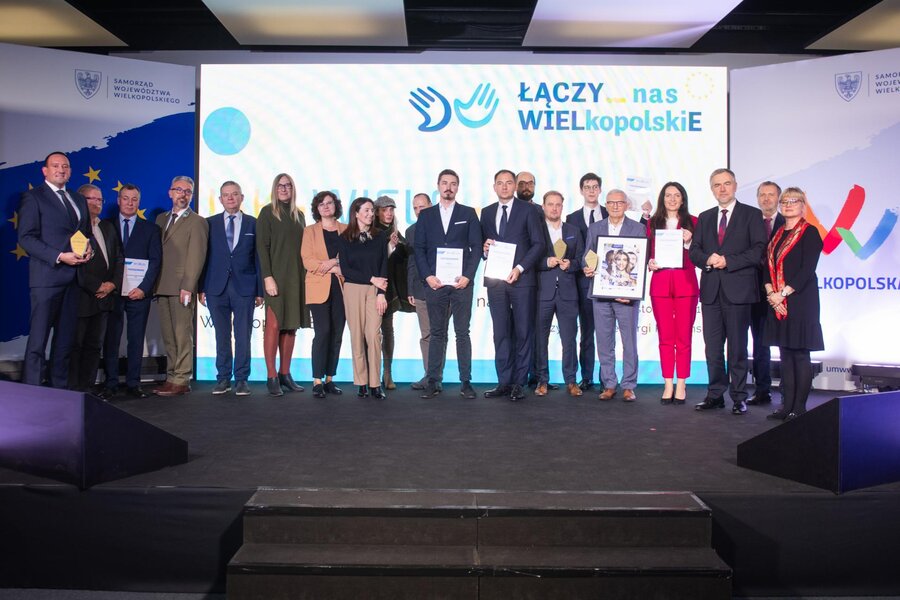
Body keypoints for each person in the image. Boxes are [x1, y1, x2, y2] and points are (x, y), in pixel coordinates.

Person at [690, 168, 767, 415]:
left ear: (735, 185)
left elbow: (758, 250)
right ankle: (715, 395)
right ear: (711, 189)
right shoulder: (705, 217)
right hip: (711, 292)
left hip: (739, 291)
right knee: (712, 349)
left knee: (737, 348)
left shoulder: (752, 215)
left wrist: (728, 261)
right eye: (717, 185)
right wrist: (707, 259)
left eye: (726, 183)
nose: (722, 189)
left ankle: (739, 397)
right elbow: (694, 251)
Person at [17, 151, 92, 388]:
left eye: (65, 166)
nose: (61, 170)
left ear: (70, 171)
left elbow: (85, 234)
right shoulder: (33, 197)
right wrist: (59, 256)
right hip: (47, 279)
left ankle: (59, 391)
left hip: (74, 280)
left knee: (65, 342)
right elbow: (26, 238)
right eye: (56, 166)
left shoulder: (78, 199)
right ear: (45, 171)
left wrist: (89, 249)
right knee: (38, 341)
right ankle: (32, 392)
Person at [413, 170, 482, 400]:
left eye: (453, 184)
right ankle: (433, 381)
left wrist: (468, 276)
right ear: (438, 186)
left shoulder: (468, 213)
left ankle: (466, 382)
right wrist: (427, 276)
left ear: (457, 187)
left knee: (462, 333)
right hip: (435, 284)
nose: (448, 187)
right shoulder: (426, 215)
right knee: (437, 333)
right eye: (444, 183)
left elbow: (476, 247)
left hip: (461, 284)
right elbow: (419, 249)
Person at [480, 169, 545, 401]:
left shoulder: (529, 210)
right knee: (500, 333)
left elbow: (538, 244)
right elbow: (483, 245)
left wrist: (520, 268)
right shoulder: (487, 212)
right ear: (494, 187)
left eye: (509, 182)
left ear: (515, 186)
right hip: (496, 281)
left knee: (523, 332)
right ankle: (504, 382)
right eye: (500, 183)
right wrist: (484, 249)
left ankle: (519, 383)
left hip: (522, 280)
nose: (505, 187)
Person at [763, 187, 824, 420]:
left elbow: (807, 269)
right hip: (777, 301)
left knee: (799, 354)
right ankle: (785, 405)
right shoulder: (778, 233)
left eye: (794, 201)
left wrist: (783, 294)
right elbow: (766, 266)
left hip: (800, 300)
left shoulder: (810, 233)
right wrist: (771, 292)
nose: (788, 205)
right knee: (785, 354)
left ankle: (799, 408)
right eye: (784, 201)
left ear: (803, 205)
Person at [198, 181, 263, 397]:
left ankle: (242, 379)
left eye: (234, 194)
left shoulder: (253, 224)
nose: (230, 198)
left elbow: (259, 258)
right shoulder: (209, 223)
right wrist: (201, 287)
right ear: (220, 199)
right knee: (221, 335)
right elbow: (203, 258)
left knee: (243, 336)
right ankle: (223, 378)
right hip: (215, 287)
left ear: (242, 197)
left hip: (245, 287)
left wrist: (260, 290)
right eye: (226, 195)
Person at [583, 190, 646, 402]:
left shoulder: (638, 228)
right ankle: (609, 383)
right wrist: (587, 267)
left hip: (627, 296)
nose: (615, 206)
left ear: (626, 205)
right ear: (606, 205)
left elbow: (640, 262)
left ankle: (629, 385)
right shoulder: (595, 228)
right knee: (604, 341)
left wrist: (633, 293)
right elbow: (588, 255)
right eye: (611, 203)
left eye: (619, 202)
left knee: (629, 341)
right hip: (601, 294)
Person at [100, 184, 162, 400]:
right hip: (112, 292)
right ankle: (110, 383)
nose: (129, 203)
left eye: (134, 199)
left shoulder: (151, 229)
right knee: (111, 339)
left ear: (139, 202)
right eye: (125, 198)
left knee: (136, 340)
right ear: (119, 200)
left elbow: (155, 262)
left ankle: (134, 383)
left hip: (138, 293)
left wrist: (143, 288)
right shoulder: (105, 226)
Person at [153, 176, 209, 397]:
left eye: (188, 191)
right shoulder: (161, 219)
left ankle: (182, 379)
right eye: (179, 190)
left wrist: (188, 285)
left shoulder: (197, 221)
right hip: (161, 284)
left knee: (182, 334)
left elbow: (197, 257)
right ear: (170, 192)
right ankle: (171, 377)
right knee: (168, 336)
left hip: (181, 288)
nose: (183, 194)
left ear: (192, 195)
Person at [257, 173, 310, 396]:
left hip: (296, 277)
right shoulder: (267, 212)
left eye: (288, 185)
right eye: (280, 185)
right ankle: (271, 376)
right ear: (274, 188)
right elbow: (262, 247)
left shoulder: (299, 215)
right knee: (274, 325)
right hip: (276, 277)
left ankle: (285, 374)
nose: (284, 189)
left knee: (291, 326)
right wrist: (267, 277)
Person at [646, 182, 699, 405]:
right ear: (662, 198)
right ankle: (668, 383)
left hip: (685, 283)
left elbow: (700, 254)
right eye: (668, 195)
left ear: (683, 199)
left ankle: (682, 383)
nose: (672, 199)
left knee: (684, 337)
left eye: (677, 195)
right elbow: (646, 252)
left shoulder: (694, 222)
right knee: (665, 337)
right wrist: (649, 262)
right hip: (660, 284)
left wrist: (689, 242)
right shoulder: (652, 223)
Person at [68, 184, 122, 392]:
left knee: (94, 346)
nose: (98, 203)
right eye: (93, 199)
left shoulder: (107, 227)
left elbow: (118, 258)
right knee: (76, 346)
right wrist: (96, 286)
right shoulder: (75, 228)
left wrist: (112, 284)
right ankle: (73, 390)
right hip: (83, 296)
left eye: (100, 200)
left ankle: (87, 389)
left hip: (105, 297)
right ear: (81, 201)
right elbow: (76, 265)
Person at [339, 197, 389, 399]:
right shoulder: (344, 238)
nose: (370, 214)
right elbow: (346, 270)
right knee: (357, 336)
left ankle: (375, 383)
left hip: (375, 290)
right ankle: (361, 382)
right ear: (356, 213)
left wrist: (381, 293)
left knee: (374, 335)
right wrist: (371, 278)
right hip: (353, 289)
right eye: (366, 210)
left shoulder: (380, 236)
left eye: (372, 210)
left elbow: (384, 265)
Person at [535, 191, 583, 397]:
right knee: (540, 338)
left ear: (562, 207)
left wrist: (571, 264)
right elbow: (528, 258)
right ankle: (542, 380)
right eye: (550, 204)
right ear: (543, 207)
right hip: (542, 292)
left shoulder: (573, 231)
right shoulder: (536, 231)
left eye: (558, 205)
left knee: (569, 339)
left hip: (568, 293)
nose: (554, 208)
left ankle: (571, 381)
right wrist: (546, 262)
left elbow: (581, 259)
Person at [300, 191, 347, 398]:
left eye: (329, 203)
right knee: (323, 332)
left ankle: (329, 379)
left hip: (342, 288)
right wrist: (331, 265)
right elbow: (307, 261)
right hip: (318, 287)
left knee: (337, 333)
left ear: (336, 205)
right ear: (316, 209)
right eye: (321, 204)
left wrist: (336, 264)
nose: (326, 207)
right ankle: (317, 380)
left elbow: (352, 258)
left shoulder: (347, 230)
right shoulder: (310, 231)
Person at [565, 172, 608, 391]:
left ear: (600, 190)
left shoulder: (611, 212)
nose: (591, 190)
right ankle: (587, 377)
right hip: (582, 283)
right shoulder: (571, 218)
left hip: (608, 281)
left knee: (606, 334)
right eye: (587, 187)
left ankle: (607, 379)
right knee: (587, 332)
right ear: (581, 190)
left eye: (595, 187)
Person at [748, 181, 785, 406]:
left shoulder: (788, 223)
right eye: (762, 194)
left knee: (785, 342)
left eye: (771, 194)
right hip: (755, 292)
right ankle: (762, 390)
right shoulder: (750, 222)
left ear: (778, 198)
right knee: (760, 344)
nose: (766, 198)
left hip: (782, 294)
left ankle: (788, 391)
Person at [372, 195, 411, 391]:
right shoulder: (370, 232)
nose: (388, 213)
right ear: (376, 212)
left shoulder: (396, 233)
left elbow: (405, 256)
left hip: (388, 291)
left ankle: (387, 374)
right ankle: (371, 375)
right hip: (370, 289)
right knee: (371, 333)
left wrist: (398, 247)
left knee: (388, 331)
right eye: (384, 210)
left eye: (391, 209)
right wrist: (390, 247)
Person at [405, 193, 443, 390]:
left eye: (422, 207)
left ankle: (437, 377)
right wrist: (410, 288)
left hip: (444, 288)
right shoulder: (410, 231)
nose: (419, 211)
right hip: (420, 290)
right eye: (415, 208)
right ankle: (430, 376)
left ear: (431, 205)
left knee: (440, 333)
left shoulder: (443, 226)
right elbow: (412, 262)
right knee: (427, 334)